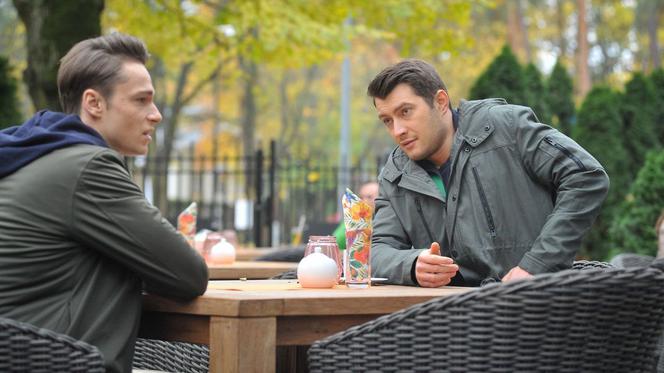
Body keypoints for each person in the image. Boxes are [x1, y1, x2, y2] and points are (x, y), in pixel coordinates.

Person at [0, 33, 208, 373]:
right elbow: (188, 274)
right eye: (141, 100)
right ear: (94, 103)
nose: (155, 115)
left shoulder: (31, 154)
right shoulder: (87, 167)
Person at [367, 59, 609, 287]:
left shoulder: (507, 127)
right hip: (447, 320)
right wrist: (410, 265)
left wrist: (538, 264)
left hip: (534, 309)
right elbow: (376, 251)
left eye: (405, 112)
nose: (397, 130)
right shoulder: (394, 172)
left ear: (440, 102)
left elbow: (586, 176)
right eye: (387, 120)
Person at [333, 180, 379, 250]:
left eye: (369, 197)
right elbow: (335, 243)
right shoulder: (354, 217)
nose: (363, 201)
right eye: (361, 197)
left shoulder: (389, 219)